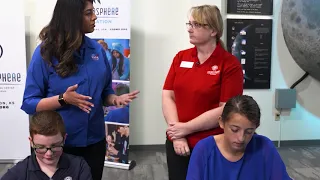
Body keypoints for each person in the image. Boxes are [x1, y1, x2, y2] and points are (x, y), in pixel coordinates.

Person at [20, 0, 139, 179]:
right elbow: (29, 103)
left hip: (94, 141)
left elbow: (105, 91)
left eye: (93, 12)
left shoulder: (97, 50)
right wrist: (63, 99)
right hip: (57, 146)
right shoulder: (45, 53)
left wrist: (115, 99)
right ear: (72, 17)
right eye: (88, 13)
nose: (95, 17)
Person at [162, 5, 243, 180]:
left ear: (213, 30)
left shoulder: (229, 64)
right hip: (177, 142)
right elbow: (168, 95)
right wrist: (177, 136)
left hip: (211, 144)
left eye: (196, 25)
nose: (190, 29)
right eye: (189, 24)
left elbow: (226, 109)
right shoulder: (181, 58)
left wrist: (185, 129)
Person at [186, 95, 292, 180]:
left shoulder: (264, 147)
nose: (241, 138)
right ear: (221, 122)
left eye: (249, 132)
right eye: (234, 130)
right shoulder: (204, 149)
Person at [1, 110, 93, 180]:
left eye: (55, 146)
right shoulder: (19, 172)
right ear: (31, 142)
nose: (48, 154)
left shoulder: (79, 166)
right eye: (40, 147)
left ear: (64, 139)